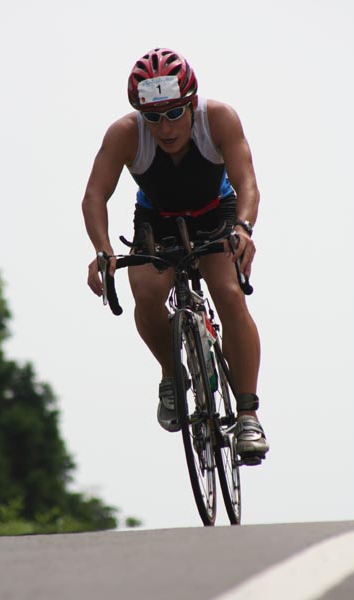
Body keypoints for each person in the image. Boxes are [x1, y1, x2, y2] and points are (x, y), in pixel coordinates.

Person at [82, 48, 269, 462]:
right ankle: (172, 373)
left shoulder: (218, 118)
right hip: (158, 219)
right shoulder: (124, 134)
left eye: (173, 113)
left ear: (191, 104)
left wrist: (243, 228)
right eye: (153, 117)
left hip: (215, 214)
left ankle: (248, 414)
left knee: (229, 293)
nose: (164, 128)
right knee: (146, 293)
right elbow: (94, 196)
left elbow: (247, 182)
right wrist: (102, 250)